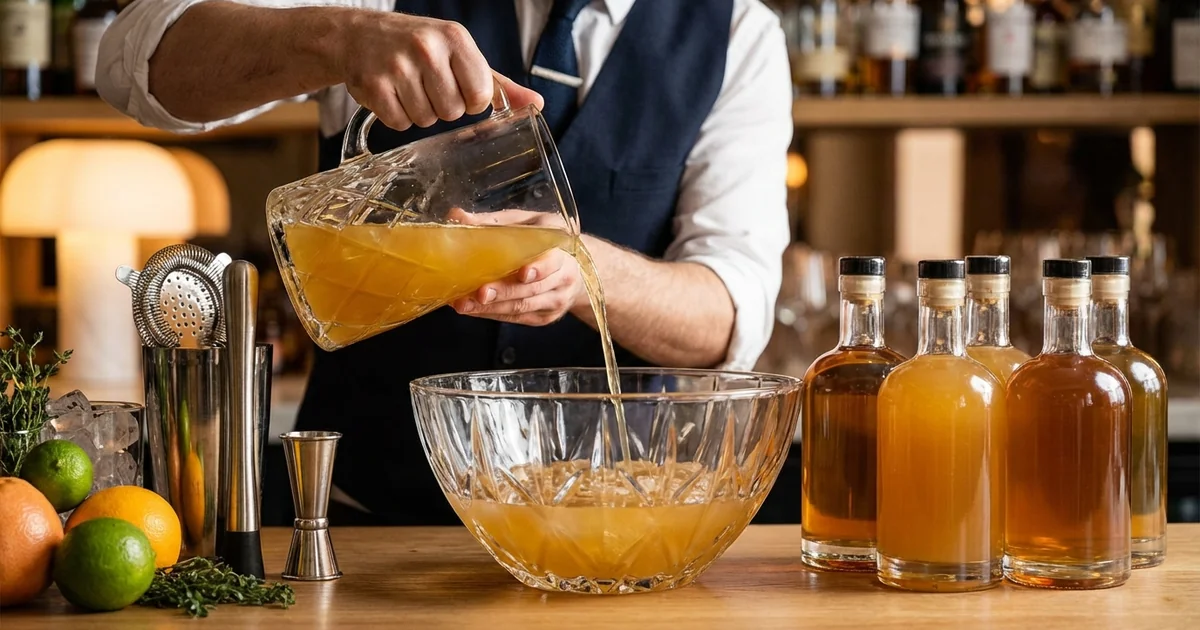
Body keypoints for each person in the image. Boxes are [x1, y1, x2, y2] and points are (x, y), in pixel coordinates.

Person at [97, 0, 793, 525]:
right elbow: (134, 60)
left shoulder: (739, 33)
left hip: (610, 534)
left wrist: (583, 270)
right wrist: (336, 39)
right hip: (361, 529)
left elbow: (727, 317)